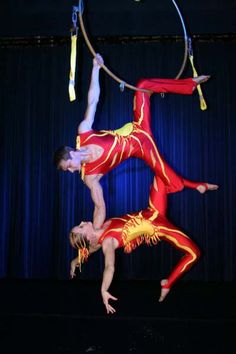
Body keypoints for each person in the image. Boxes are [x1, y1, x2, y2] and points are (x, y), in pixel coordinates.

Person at [54, 54, 218, 228]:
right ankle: (197, 186)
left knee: (143, 86)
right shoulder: (90, 177)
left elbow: (93, 100)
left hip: (139, 126)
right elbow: (99, 207)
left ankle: (190, 83)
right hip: (143, 148)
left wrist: (96, 68)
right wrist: (93, 234)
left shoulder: (84, 132)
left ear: (72, 153)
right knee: (164, 173)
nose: (72, 171)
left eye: (69, 166)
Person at [69, 175, 201, 314]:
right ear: (88, 237)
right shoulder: (108, 242)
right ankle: (167, 284)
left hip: (153, 211)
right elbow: (109, 267)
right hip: (159, 227)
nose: (82, 222)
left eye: (79, 224)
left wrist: (92, 180)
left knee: (161, 174)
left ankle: (197, 185)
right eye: (81, 227)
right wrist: (104, 290)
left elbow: (98, 203)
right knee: (194, 254)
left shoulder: (97, 223)